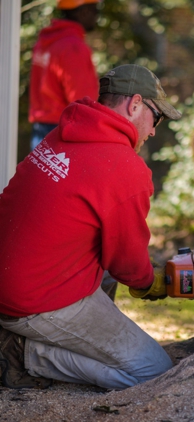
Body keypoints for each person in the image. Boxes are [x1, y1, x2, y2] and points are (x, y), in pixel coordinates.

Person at [0, 64, 182, 390]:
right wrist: (149, 282)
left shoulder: (62, 135)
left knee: (103, 265)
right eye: (157, 119)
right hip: (28, 300)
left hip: (15, 276)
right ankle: (24, 353)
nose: (154, 130)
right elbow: (127, 264)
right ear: (135, 104)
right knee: (153, 371)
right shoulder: (125, 168)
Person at [29, 0, 100, 150]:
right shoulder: (73, 47)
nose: (97, 15)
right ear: (84, 11)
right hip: (63, 132)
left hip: (41, 131)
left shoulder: (44, 42)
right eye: (95, 10)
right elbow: (82, 102)